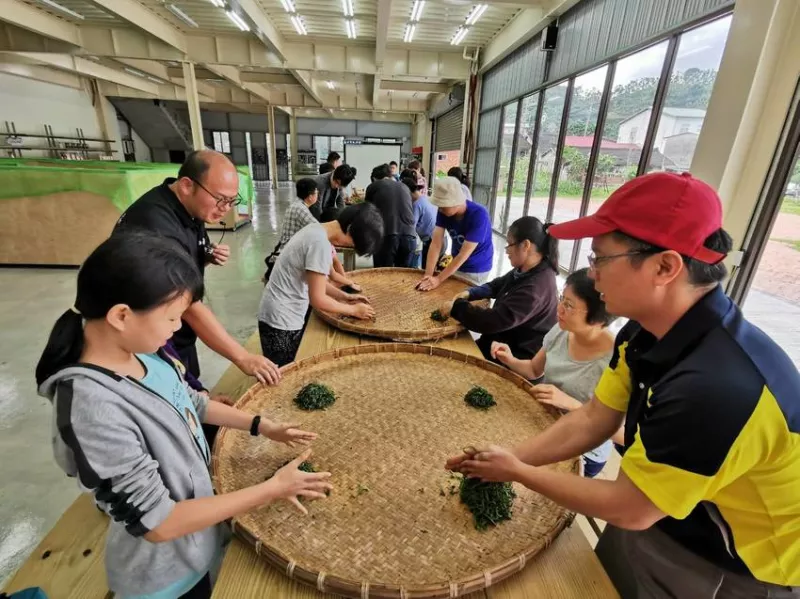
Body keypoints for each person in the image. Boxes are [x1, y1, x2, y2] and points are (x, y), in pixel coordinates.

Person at [446, 172, 800, 597]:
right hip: (660, 510)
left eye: (599, 258)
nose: (591, 275)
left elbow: (632, 508)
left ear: (665, 266)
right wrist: (507, 459)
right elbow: (595, 416)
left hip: (735, 564)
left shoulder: (717, 387)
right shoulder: (643, 334)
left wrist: (519, 472)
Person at [35, 233, 332, 599]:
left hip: (197, 541)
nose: (178, 327)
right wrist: (273, 489)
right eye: (173, 317)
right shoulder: (92, 410)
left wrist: (261, 425)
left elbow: (190, 400)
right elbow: (158, 522)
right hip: (163, 577)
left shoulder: (143, 351)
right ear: (121, 315)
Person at [114, 150, 280, 386]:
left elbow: (181, 259)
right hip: (147, 338)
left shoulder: (191, 208)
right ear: (186, 185)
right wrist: (242, 357)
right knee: (171, 394)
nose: (226, 208)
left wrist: (205, 254)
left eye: (231, 200)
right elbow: (188, 304)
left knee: (190, 384)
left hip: (174, 328)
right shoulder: (154, 226)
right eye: (220, 199)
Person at [490, 268, 616, 478]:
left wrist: (571, 404)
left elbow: (623, 434)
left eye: (569, 305)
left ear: (598, 319)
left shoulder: (615, 362)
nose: (559, 309)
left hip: (583, 448)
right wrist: (509, 359)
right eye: (561, 299)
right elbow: (533, 369)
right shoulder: (562, 329)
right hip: (546, 423)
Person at [258, 204, 383, 366]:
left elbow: (318, 283)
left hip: (277, 313)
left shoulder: (315, 230)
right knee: (281, 374)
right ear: (350, 228)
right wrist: (353, 310)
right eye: (352, 244)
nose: (347, 247)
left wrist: (345, 297)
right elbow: (317, 299)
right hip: (281, 321)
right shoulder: (320, 244)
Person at [437, 216, 558, 361]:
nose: (506, 251)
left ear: (526, 245)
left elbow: (492, 321)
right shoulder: (527, 269)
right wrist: (469, 293)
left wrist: (456, 308)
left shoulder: (536, 288)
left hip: (514, 356)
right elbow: (497, 285)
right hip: (498, 341)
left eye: (509, 245)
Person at [264, 178, 359, 290]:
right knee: (324, 270)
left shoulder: (297, 205)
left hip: (289, 248)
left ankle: (341, 282)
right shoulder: (300, 209)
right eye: (316, 192)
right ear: (310, 196)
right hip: (289, 253)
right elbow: (320, 229)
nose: (318, 194)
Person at [418, 177, 494, 289]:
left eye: (443, 205)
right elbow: (435, 244)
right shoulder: (443, 212)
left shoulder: (479, 215)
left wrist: (438, 279)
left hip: (476, 268)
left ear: (456, 202)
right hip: (457, 263)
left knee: (465, 299)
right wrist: (428, 275)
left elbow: (464, 254)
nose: (440, 209)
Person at [366, 164, 416, 268]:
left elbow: (368, 213)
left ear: (375, 178)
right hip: (410, 236)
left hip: (387, 237)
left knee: (383, 275)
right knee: (404, 277)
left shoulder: (373, 186)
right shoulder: (404, 186)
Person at [400, 169, 439, 269]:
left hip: (429, 241)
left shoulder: (417, 205)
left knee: (425, 271)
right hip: (438, 238)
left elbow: (411, 228)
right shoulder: (426, 198)